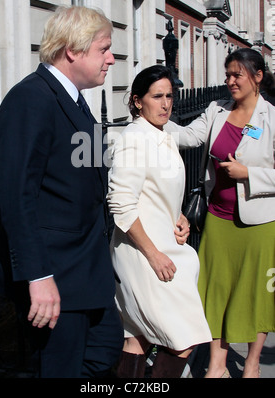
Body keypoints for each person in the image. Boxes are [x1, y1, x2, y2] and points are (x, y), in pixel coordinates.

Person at [0, 5, 123, 378]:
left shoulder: (75, 100)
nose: (111, 59)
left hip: (87, 272)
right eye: (104, 49)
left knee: (104, 349)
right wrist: (37, 276)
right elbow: (18, 195)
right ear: (73, 50)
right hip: (54, 277)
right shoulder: (31, 99)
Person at [168, 48, 275, 378]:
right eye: (227, 75)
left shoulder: (271, 118)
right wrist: (151, 121)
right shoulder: (217, 110)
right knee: (215, 291)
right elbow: (189, 135)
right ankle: (217, 364)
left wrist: (250, 175)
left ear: (257, 77)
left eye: (236, 75)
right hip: (218, 216)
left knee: (253, 292)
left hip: (260, 222)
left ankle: (252, 363)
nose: (229, 81)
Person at [107, 65, 212, 378]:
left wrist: (176, 215)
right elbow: (121, 205)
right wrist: (153, 255)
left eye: (169, 96)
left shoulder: (162, 133)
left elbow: (155, 189)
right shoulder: (135, 139)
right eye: (157, 97)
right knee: (185, 337)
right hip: (144, 255)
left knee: (137, 340)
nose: (166, 103)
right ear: (138, 101)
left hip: (162, 246)